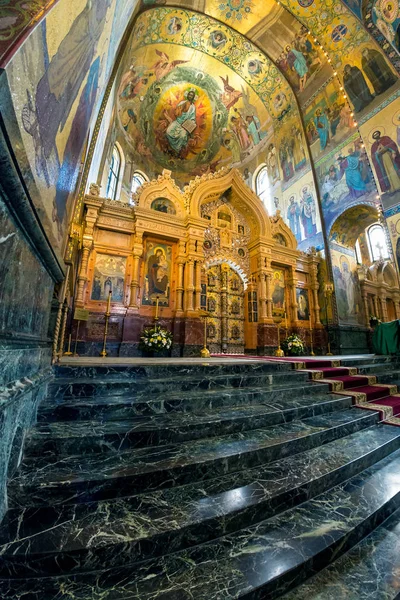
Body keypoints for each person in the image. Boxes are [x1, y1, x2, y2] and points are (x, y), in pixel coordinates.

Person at [165, 88, 197, 156]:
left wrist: (190, 124)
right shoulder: (182, 103)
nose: (190, 96)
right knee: (168, 131)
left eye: (192, 95)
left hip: (184, 126)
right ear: (187, 95)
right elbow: (176, 113)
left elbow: (192, 118)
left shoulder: (192, 107)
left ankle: (178, 150)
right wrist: (179, 110)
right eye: (189, 94)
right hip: (177, 122)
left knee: (182, 136)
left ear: (193, 97)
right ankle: (172, 147)